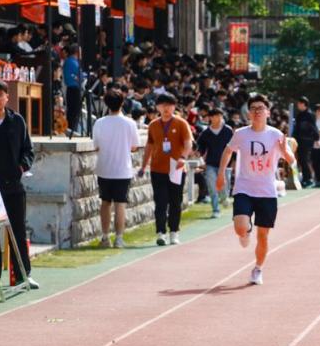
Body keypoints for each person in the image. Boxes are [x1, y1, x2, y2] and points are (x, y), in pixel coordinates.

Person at [216, 93, 295, 285]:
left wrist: (284, 151)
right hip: (244, 187)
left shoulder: (276, 135)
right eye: (253, 109)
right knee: (240, 227)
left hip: (267, 191)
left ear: (268, 112)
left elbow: (291, 160)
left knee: (263, 236)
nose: (257, 112)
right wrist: (220, 174)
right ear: (248, 113)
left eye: (261, 108)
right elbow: (228, 151)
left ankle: (258, 269)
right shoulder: (241, 134)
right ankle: (246, 230)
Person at [0, 80, 37, 289]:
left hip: (13, 184)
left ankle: (23, 275)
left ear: (7, 97)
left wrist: (22, 167)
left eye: (1, 94)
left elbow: (28, 150)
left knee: (18, 231)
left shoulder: (17, 120)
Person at [139, 93, 192, 245]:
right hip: (157, 169)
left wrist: (183, 157)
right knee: (160, 202)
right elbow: (149, 146)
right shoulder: (153, 125)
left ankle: (174, 232)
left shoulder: (181, 123)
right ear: (158, 107)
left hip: (176, 169)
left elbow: (188, 142)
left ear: (174, 107)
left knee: (175, 202)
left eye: (169, 105)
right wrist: (143, 165)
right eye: (163, 105)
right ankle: (160, 232)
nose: (166, 108)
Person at [91, 88, 141, 248]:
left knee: (105, 202)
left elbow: (96, 146)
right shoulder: (130, 123)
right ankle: (119, 238)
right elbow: (135, 146)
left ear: (106, 104)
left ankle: (105, 237)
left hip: (104, 167)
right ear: (122, 103)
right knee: (120, 204)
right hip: (122, 169)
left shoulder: (99, 123)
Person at [196, 108, 233, 218]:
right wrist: (199, 153)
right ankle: (215, 210)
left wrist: (234, 161)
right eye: (215, 116)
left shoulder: (228, 131)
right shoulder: (206, 133)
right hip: (210, 164)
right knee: (212, 187)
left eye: (220, 116)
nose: (218, 118)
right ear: (210, 118)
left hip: (225, 164)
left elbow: (233, 147)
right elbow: (201, 147)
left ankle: (224, 197)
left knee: (224, 186)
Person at [293, 96, 317, 186]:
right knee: (301, 159)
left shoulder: (310, 114)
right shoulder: (299, 115)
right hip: (299, 140)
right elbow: (297, 128)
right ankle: (305, 178)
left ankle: (309, 178)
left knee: (305, 159)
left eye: (299, 103)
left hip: (307, 141)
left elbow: (313, 127)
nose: (298, 105)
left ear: (303, 104)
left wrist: (316, 137)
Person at [63, 44, 83, 135]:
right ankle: (72, 130)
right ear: (77, 52)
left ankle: (73, 129)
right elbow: (76, 76)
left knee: (74, 111)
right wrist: (77, 78)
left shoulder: (73, 61)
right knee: (73, 111)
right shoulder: (71, 62)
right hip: (73, 88)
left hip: (74, 88)